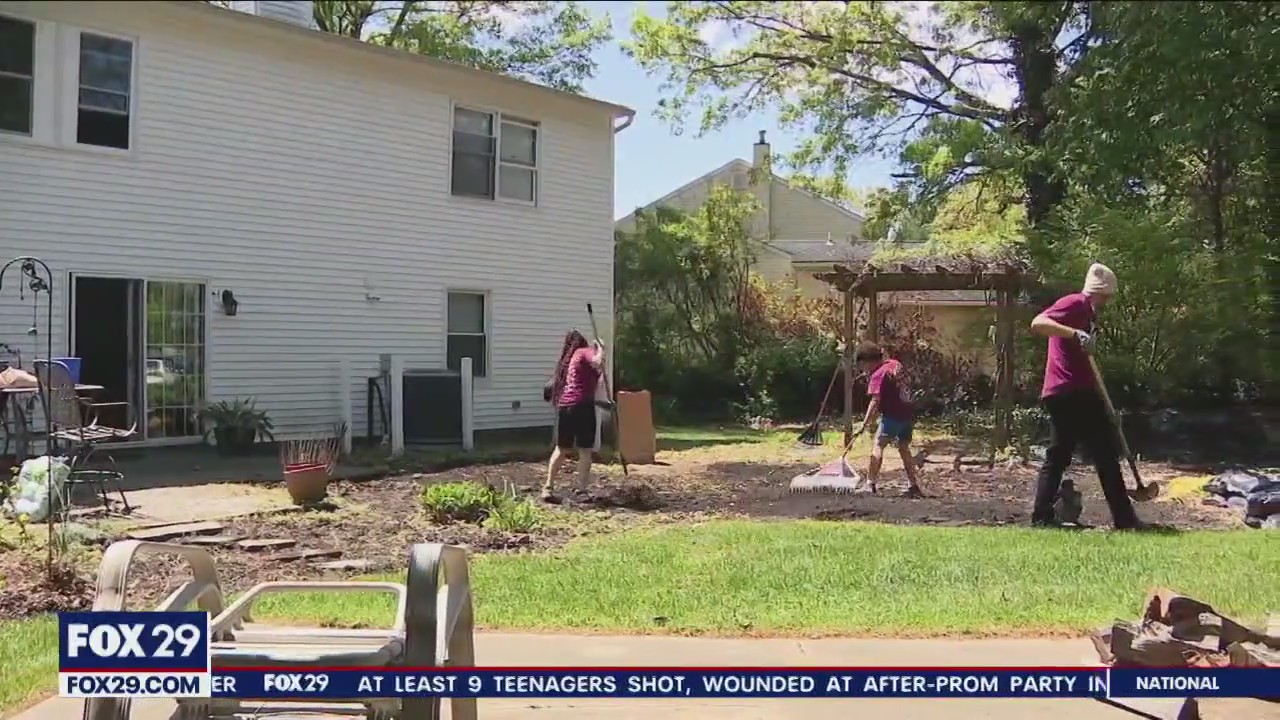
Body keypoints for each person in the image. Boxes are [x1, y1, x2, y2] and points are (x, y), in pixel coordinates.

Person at [1029, 263, 1143, 530]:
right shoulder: (1075, 302)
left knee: (1063, 454)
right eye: (1108, 295)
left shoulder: (1089, 314)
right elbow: (1038, 322)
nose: (1108, 300)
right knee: (1101, 453)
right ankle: (1124, 520)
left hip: (1074, 390)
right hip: (1069, 390)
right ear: (1101, 292)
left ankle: (1042, 516)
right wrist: (1074, 333)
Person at [543, 330, 606, 503]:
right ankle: (582, 490)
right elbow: (598, 361)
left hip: (566, 407)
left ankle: (548, 487)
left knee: (562, 449)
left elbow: (593, 381)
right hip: (582, 406)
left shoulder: (570, 360)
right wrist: (601, 348)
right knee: (585, 450)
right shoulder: (584, 352)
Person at [855, 343, 922, 497]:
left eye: (862, 365)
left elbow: (875, 401)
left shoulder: (877, 375)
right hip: (907, 413)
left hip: (892, 416)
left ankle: (870, 484)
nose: (862, 369)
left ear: (866, 362)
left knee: (878, 445)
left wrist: (864, 424)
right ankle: (913, 485)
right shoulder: (894, 364)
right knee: (904, 448)